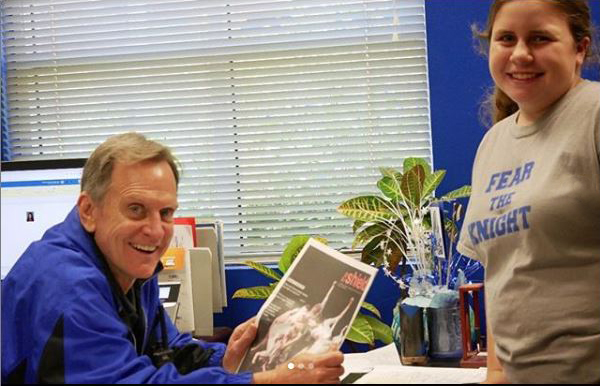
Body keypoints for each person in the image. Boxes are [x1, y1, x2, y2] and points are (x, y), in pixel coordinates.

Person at [1, 132, 344, 384]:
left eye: (166, 213)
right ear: (89, 211)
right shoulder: (67, 285)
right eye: (136, 210)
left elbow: (166, 350)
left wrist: (227, 355)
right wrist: (274, 380)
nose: (154, 231)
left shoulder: (128, 264)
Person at [457, 0, 600, 383]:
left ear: (579, 49)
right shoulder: (493, 143)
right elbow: (502, 280)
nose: (520, 54)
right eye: (507, 38)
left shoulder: (594, 114)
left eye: (539, 38)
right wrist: (496, 374)